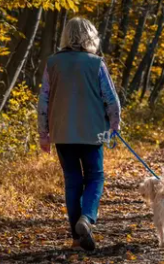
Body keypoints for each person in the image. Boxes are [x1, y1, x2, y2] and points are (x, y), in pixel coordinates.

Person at [37, 17, 121, 251]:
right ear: (90, 37)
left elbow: (43, 101)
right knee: (95, 176)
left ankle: (76, 239)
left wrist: (43, 134)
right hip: (93, 133)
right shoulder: (96, 63)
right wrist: (115, 125)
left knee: (72, 182)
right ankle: (87, 217)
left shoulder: (52, 63)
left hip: (62, 132)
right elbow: (111, 99)